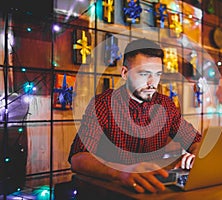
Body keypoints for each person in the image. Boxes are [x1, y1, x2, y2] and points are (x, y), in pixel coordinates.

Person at [68, 38, 202, 193]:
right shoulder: (104, 103)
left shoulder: (165, 105)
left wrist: (194, 157)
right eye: (144, 74)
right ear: (125, 73)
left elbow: (196, 142)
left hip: (153, 190)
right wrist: (120, 172)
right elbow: (77, 159)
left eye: (157, 74)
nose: (152, 83)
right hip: (112, 192)